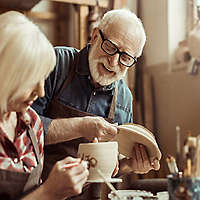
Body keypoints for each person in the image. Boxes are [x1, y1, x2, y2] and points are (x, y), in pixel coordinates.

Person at [32, 8, 160, 199]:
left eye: (125, 58)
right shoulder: (56, 63)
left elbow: (109, 168)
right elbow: (23, 130)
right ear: (94, 36)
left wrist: (130, 165)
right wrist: (83, 126)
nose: (113, 61)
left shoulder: (124, 98)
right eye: (110, 46)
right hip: (40, 193)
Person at [0, 11, 89, 200]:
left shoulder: (32, 123)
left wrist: (62, 188)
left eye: (43, 78)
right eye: (32, 79)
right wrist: (49, 192)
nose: (40, 92)